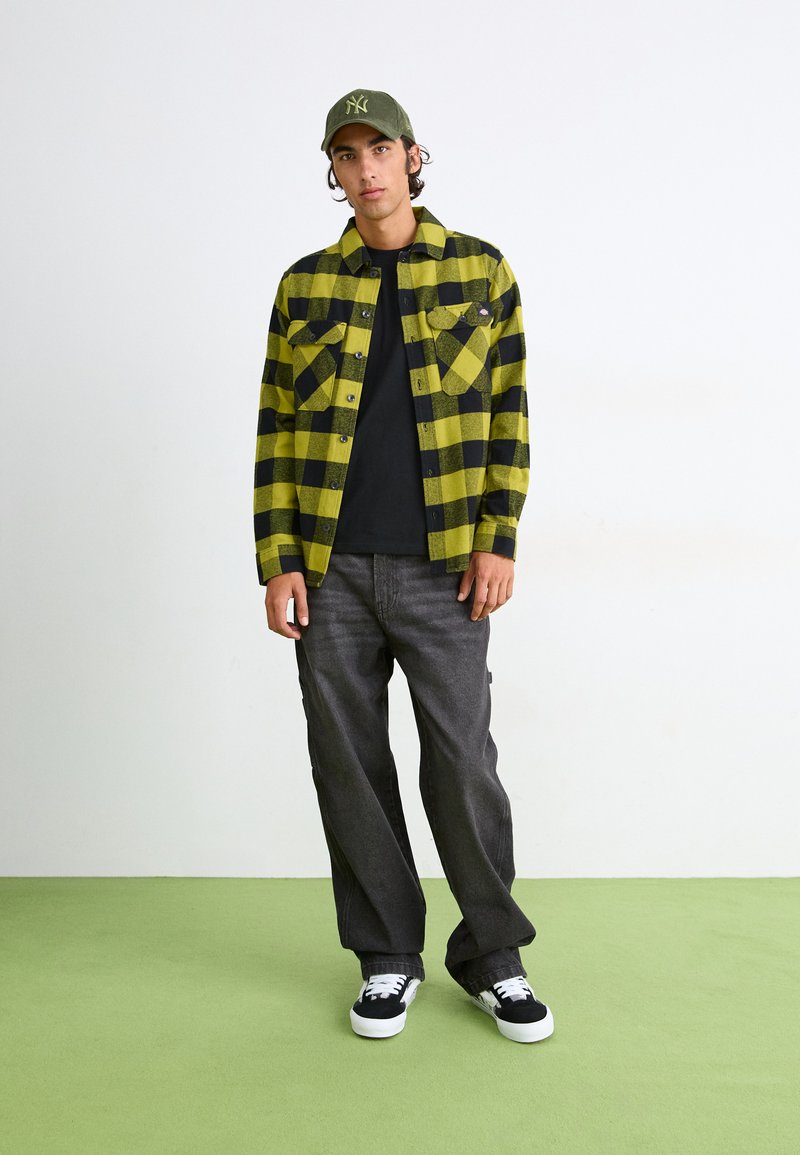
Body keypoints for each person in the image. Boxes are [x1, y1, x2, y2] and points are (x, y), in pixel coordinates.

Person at [253, 88, 554, 1044]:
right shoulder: (304, 287)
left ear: (412, 157)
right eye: (346, 156)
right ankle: (387, 956)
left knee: (462, 764)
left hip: (446, 568)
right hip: (330, 570)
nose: (366, 169)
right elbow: (276, 431)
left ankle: (494, 958)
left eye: (379, 149)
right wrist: (279, 559)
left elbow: (509, 416)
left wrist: (499, 536)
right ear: (334, 174)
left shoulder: (480, 270)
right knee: (349, 768)